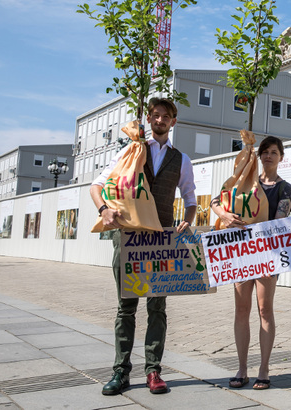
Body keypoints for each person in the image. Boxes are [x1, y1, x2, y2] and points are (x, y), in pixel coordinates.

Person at [91, 98, 197, 396]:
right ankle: (120, 371)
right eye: (155, 115)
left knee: (157, 308)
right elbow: (97, 186)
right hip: (129, 237)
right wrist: (104, 210)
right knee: (126, 307)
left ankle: (153, 371)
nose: (160, 120)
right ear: (148, 119)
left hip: (160, 240)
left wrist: (187, 222)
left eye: (166, 116)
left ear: (173, 122)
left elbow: (190, 199)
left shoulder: (182, 160)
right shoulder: (131, 150)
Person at [210, 136, 291, 390]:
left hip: (267, 253)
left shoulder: (284, 188)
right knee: (241, 310)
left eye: (274, 152)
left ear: (281, 157)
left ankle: (264, 369)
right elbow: (216, 202)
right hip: (240, 252)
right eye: (265, 152)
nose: (268, 156)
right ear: (259, 156)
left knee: (265, 310)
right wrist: (224, 215)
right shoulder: (244, 183)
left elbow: (280, 218)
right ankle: (242, 367)